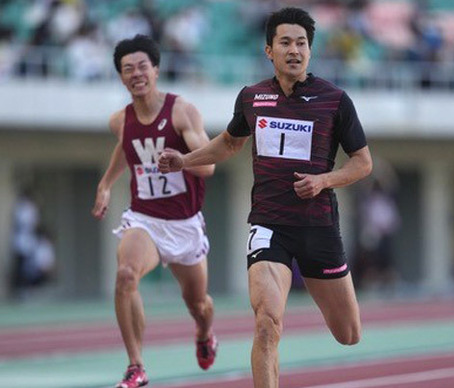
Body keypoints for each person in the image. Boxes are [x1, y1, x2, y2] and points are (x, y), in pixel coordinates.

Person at [159, 7, 372, 387]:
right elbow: (228, 143)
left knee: (349, 333)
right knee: (266, 325)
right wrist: (184, 160)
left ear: (310, 50)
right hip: (269, 226)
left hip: (318, 228)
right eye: (286, 42)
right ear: (268, 50)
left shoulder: (335, 100)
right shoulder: (252, 97)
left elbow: (363, 163)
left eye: (302, 43)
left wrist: (323, 181)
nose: (295, 50)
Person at [92, 34, 217, 388]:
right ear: (120, 76)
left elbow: (208, 167)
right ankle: (136, 366)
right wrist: (104, 184)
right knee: (126, 275)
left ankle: (205, 332)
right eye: (127, 69)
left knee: (198, 304)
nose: (136, 73)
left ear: (156, 69)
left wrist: (181, 161)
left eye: (142, 66)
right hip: (144, 219)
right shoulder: (120, 120)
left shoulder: (182, 111)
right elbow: (125, 148)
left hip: (185, 224)